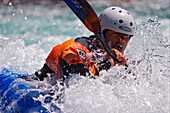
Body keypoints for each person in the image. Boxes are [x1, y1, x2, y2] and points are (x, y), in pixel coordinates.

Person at [35, 6, 136, 81]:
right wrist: (109, 64)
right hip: (35, 88)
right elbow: (75, 80)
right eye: (116, 35)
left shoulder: (122, 62)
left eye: (126, 38)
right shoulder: (81, 46)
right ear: (101, 34)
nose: (121, 42)